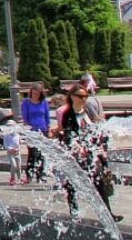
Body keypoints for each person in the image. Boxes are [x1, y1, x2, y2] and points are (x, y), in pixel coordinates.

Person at [58, 85, 121, 220]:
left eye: (86, 96)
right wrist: (78, 148)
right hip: (76, 155)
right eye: (81, 96)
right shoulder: (68, 114)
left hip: (92, 152)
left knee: (99, 182)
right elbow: (68, 135)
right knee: (72, 183)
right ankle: (74, 212)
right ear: (72, 97)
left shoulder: (87, 110)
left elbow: (97, 126)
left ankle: (108, 215)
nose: (84, 99)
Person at [21, 83, 52, 183]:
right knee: (33, 153)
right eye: (34, 93)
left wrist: (49, 129)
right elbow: (25, 117)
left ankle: (41, 175)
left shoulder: (44, 102)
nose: (36, 95)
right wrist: (27, 130)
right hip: (32, 130)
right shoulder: (26, 102)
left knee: (43, 154)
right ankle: (29, 175)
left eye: (37, 93)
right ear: (31, 93)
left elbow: (47, 116)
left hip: (43, 129)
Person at [3, 120, 24, 186]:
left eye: (11, 126)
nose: (10, 128)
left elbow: (19, 142)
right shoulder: (6, 135)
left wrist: (18, 148)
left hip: (17, 152)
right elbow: (5, 145)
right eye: (8, 126)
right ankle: (12, 179)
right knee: (14, 166)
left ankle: (20, 178)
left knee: (19, 166)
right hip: (10, 153)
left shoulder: (17, 134)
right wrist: (10, 149)